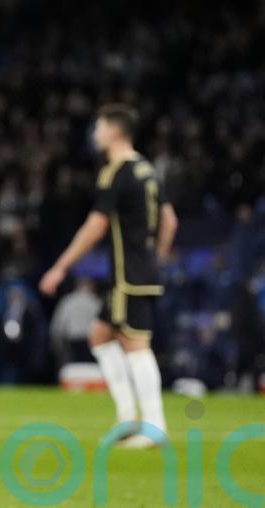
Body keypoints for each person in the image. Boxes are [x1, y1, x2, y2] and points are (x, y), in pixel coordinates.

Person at [39, 103, 179, 448]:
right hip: (140, 269)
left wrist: (61, 266)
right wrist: (156, 259)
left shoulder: (116, 172)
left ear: (114, 131)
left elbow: (96, 226)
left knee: (136, 345)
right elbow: (170, 220)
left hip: (129, 274)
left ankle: (154, 426)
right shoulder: (147, 169)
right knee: (100, 335)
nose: (95, 134)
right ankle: (127, 418)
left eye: (99, 128)